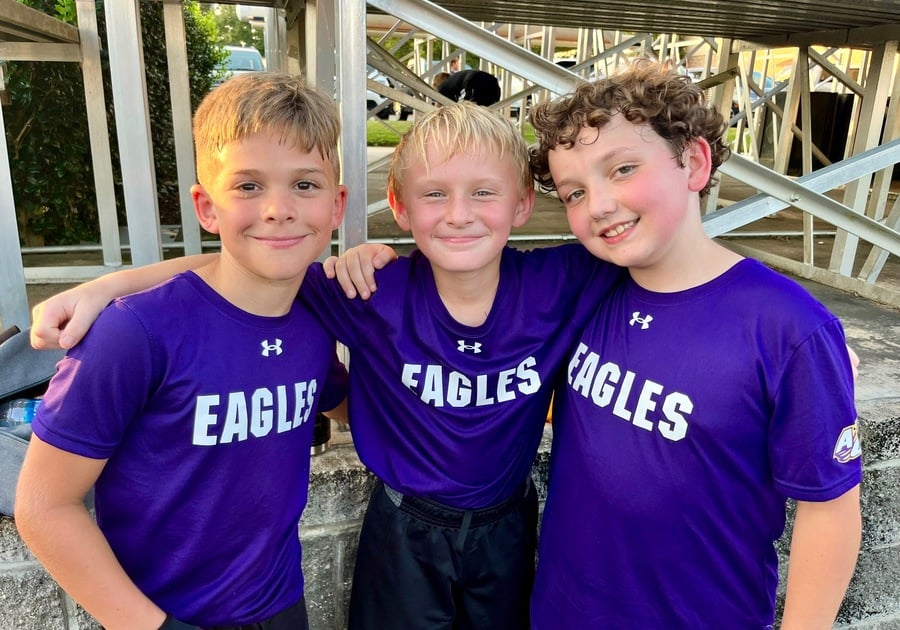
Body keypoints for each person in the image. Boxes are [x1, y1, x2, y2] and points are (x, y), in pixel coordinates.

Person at [28, 102, 624, 630]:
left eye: (485, 193)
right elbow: (239, 268)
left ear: (523, 203)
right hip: (403, 527)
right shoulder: (366, 290)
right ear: (399, 205)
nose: (459, 214)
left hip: (507, 523)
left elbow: (636, 246)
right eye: (435, 194)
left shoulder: (560, 280)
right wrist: (112, 285)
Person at [526, 60, 863, 628]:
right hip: (563, 610)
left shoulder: (788, 328)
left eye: (623, 168)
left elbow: (828, 505)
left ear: (695, 162)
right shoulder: (586, 290)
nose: (599, 205)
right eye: (574, 192)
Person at [14, 72, 349, 630]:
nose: (278, 209)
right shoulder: (133, 334)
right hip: (164, 618)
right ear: (206, 207)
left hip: (283, 605)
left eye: (305, 185)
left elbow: (353, 407)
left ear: (336, 205)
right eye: (247, 186)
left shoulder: (316, 315)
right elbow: (44, 506)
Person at [436, 68, 501, 107]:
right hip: (492, 81)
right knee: (487, 107)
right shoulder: (454, 80)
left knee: (464, 109)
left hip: (473, 81)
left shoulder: (443, 87)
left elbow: (439, 106)